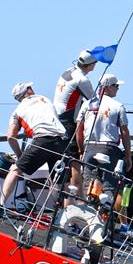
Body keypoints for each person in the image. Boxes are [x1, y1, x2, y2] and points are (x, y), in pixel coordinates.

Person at [0, 82, 67, 215]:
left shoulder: (18, 111)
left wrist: (20, 156)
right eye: (30, 87)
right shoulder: (45, 99)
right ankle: (64, 216)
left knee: (15, 170)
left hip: (42, 140)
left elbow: (10, 137)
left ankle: (0, 206)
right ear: (28, 91)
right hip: (62, 142)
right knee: (58, 180)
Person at [76, 74, 132, 208]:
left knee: (90, 186)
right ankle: (118, 222)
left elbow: (79, 129)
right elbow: (124, 132)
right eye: (116, 86)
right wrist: (128, 156)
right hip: (109, 149)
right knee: (113, 189)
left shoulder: (86, 104)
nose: (118, 89)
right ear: (109, 87)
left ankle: (92, 217)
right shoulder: (118, 106)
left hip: (89, 148)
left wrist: (81, 151)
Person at [53, 49, 98, 203]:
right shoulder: (82, 80)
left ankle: (63, 198)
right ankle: (78, 200)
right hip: (68, 122)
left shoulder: (68, 71)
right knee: (75, 160)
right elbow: (95, 102)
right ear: (91, 65)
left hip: (56, 118)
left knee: (61, 158)